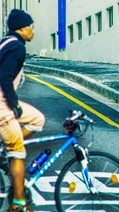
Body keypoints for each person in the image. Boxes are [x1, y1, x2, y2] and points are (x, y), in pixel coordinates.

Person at [0, 9, 45, 211]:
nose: (33, 32)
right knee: (18, 153)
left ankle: (5, 148)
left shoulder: (5, 42)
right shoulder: (17, 47)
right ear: (23, 28)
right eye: (32, 27)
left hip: (4, 100)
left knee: (37, 119)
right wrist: (15, 105)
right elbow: (5, 77)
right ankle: (18, 204)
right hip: (2, 103)